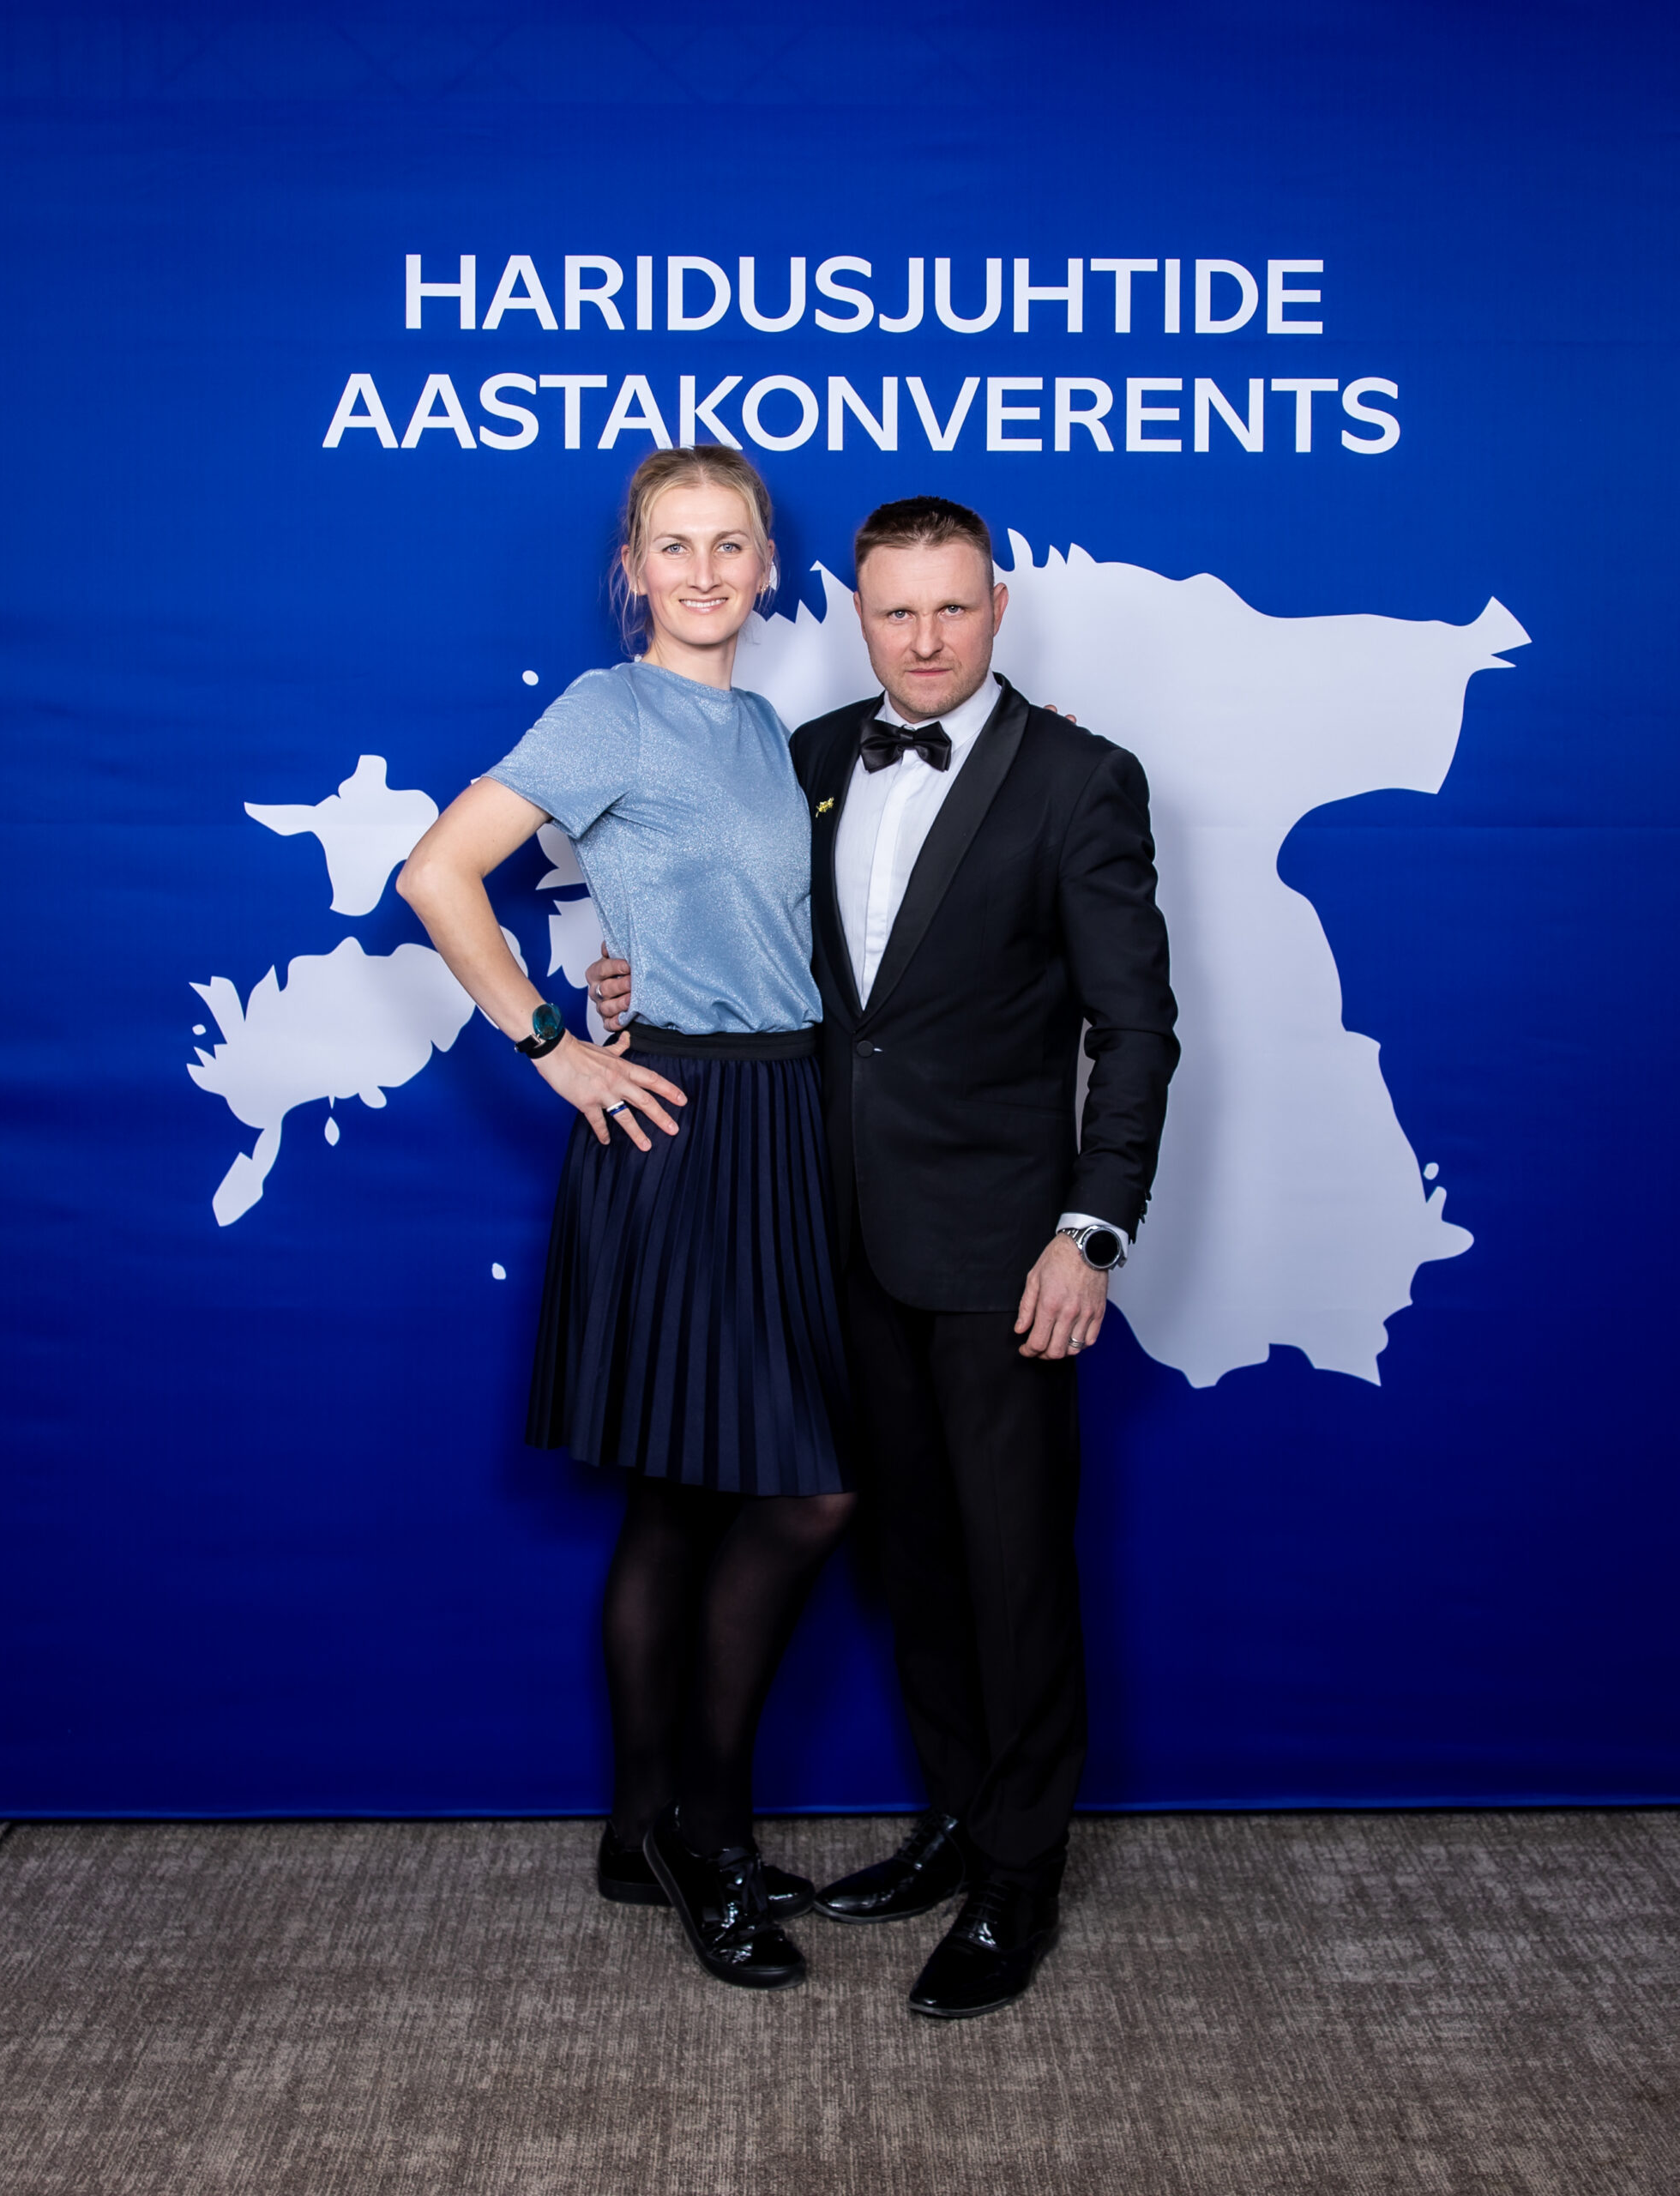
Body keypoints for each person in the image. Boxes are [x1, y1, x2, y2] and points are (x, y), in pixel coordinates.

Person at [591, 494, 1177, 2018]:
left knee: (1015, 1565)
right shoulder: (809, 758)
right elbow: (744, 943)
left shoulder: (1080, 777)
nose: (924, 641)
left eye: (952, 609)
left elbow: (1136, 1030)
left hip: (1007, 1250)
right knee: (909, 1554)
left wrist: (1091, 1231)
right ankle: (960, 1821)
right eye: (896, 611)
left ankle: (1019, 1881)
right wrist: (624, 986)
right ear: (858, 611)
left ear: (999, 608)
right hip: (827, 1229)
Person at [398, 447, 856, 1994]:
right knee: (805, 1497)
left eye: (733, 544)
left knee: (684, 1505)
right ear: (633, 570)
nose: (706, 571)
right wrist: (553, 1043)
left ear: (769, 564)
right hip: (680, 1124)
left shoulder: (762, 729)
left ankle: (634, 1829)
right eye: (677, 545)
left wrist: (630, 967)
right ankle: (709, 1841)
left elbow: (743, 924)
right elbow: (437, 872)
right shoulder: (612, 708)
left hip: (785, 1116)